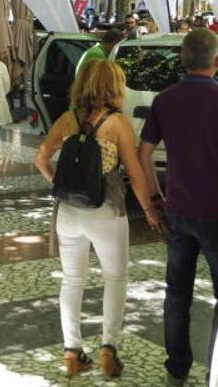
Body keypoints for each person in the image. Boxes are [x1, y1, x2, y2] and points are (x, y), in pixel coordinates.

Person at [136, 29, 218, 385]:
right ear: (217, 62)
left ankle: (176, 368)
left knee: (176, 295)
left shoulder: (164, 100)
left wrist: (154, 201)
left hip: (178, 212)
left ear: (182, 60)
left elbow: (143, 154)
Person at [34, 59, 161, 378]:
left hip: (68, 213)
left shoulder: (67, 118)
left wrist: (61, 185)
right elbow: (134, 173)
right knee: (115, 278)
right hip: (105, 209)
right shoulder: (117, 124)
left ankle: (73, 353)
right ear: (113, 87)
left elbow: (40, 158)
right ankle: (109, 349)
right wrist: (148, 210)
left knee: (72, 279)